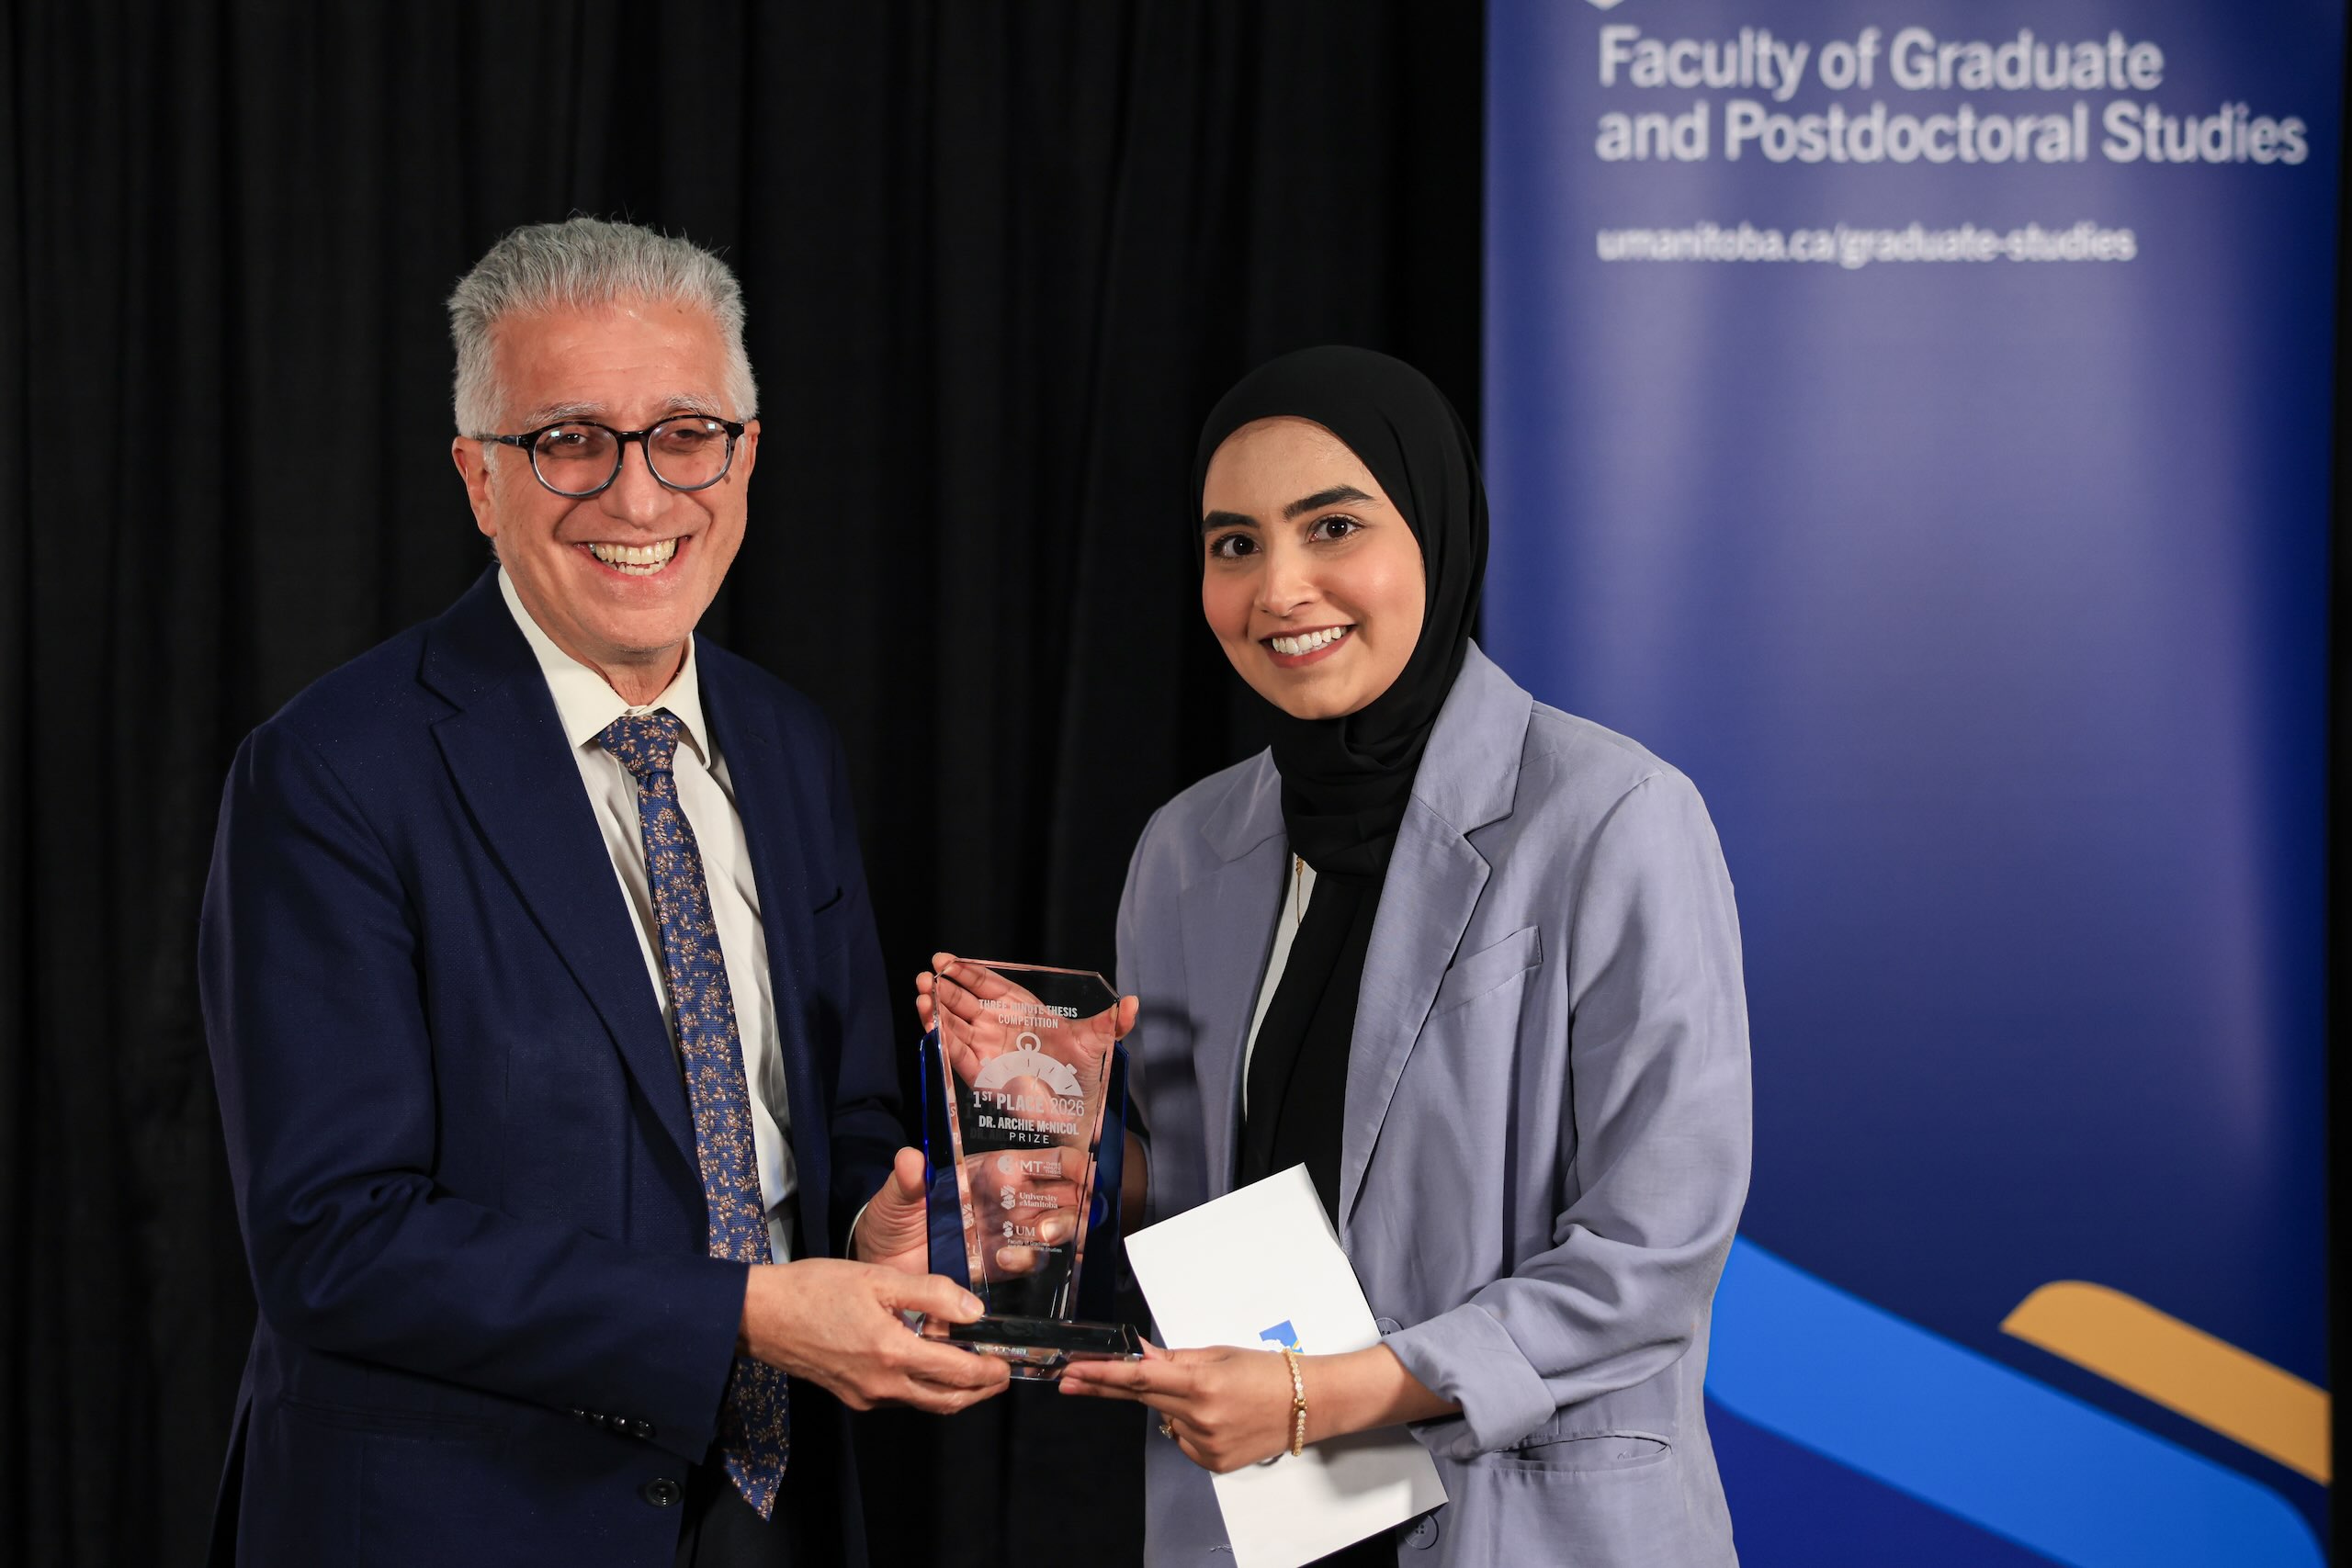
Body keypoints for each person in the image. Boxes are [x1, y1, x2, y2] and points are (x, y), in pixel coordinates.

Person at [198, 217, 1001, 1568]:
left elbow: (837, 1109)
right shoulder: (330, 772)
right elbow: (335, 1240)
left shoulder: (790, 745)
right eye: (569, 439)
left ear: (744, 457)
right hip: (455, 1528)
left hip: (772, 1522)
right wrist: (744, 1313)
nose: (639, 499)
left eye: (687, 432)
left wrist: (881, 1215)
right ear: (477, 479)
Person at [1053, 347, 1752, 1566]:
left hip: (1530, 1525)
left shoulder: (1612, 817)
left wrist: (1332, 1394)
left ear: (1435, 529)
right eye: (1234, 544)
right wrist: (1048, 1155)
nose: (1280, 588)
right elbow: (1204, 1191)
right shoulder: (1185, 851)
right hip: (1268, 1525)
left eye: (1332, 527)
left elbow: (1653, 1256)